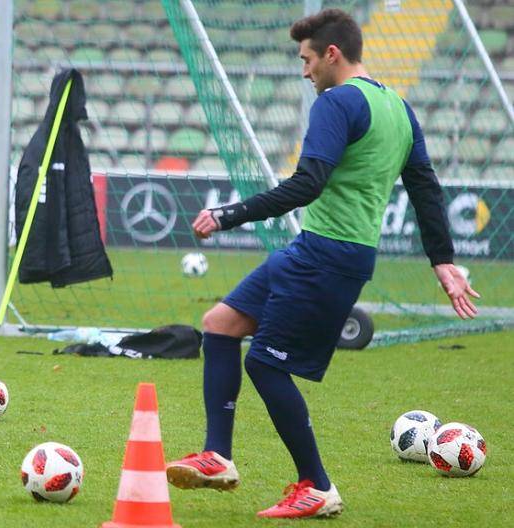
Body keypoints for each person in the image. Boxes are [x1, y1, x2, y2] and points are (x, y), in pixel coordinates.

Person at [165, 9, 480, 519]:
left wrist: (229, 215)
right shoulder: (398, 108)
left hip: (327, 255)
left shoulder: (336, 102)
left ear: (332, 54)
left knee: (266, 363)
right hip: (321, 250)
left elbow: (307, 183)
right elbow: (425, 187)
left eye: (307, 59)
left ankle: (317, 486)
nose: (305, 71)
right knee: (219, 325)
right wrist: (443, 261)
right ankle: (217, 456)